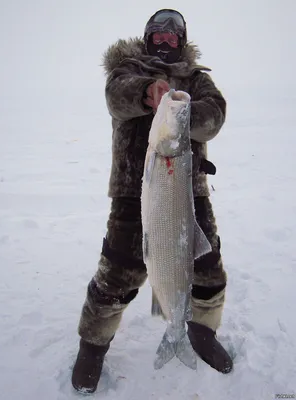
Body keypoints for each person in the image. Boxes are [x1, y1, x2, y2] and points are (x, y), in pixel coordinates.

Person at [71, 8, 233, 394]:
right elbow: (117, 97)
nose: (164, 41)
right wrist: (148, 93)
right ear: (147, 39)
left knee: (207, 270)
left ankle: (201, 331)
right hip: (132, 194)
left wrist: (182, 109)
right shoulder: (126, 70)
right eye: (156, 35)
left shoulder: (196, 79)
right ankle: (92, 346)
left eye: (171, 36)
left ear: (181, 40)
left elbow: (214, 116)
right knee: (117, 277)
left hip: (189, 194)